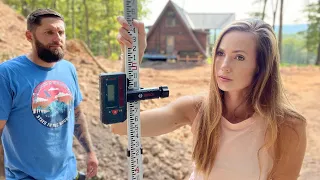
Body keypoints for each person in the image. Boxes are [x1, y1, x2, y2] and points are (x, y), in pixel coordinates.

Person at [113, 16, 307, 180]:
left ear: (260, 67)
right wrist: (131, 58)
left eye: (239, 57)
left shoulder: (288, 126)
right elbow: (121, 125)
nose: (224, 65)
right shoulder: (196, 109)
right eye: (220, 53)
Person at [0, 9, 98, 180]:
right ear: (29, 36)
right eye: (49, 32)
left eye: (61, 32)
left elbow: (76, 112)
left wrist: (90, 152)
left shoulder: (68, 69)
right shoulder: (7, 74)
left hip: (67, 174)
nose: (57, 38)